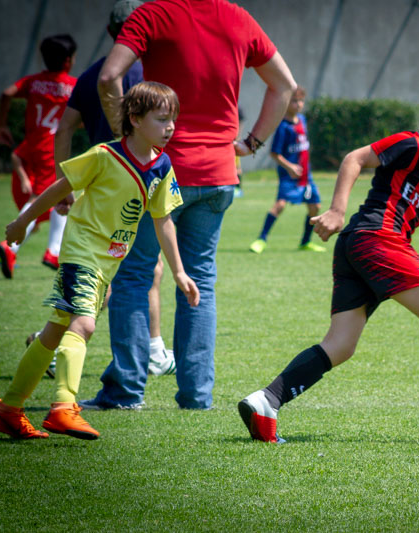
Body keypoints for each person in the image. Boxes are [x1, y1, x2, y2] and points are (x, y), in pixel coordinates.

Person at [238, 81, 419, 443]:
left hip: (359, 244)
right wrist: (336, 209)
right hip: (378, 237)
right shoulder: (414, 143)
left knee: (341, 345)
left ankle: (266, 401)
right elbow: (355, 158)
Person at [82, 0, 296, 410]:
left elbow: (110, 76)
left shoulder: (152, 14)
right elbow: (283, 85)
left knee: (133, 277)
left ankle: (125, 392)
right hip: (218, 174)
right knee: (200, 281)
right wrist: (251, 143)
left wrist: (123, 136)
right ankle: (196, 397)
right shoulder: (238, 18)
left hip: (159, 171)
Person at [0, 82, 199, 440]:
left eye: (173, 119)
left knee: (56, 331)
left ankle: (9, 408)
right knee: (83, 326)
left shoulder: (162, 166)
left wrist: (178, 271)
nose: (171, 127)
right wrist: (22, 222)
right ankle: (63, 408)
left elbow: (163, 220)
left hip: (106, 265)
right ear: (134, 119)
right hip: (80, 254)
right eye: (162, 119)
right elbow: (59, 188)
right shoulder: (104, 155)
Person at [53, 0, 174, 377]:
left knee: (103, 277)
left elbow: (64, 128)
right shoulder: (146, 75)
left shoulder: (91, 73)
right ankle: (151, 351)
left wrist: (66, 184)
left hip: (95, 192)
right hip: (134, 189)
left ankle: (56, 342)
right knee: (144, 271)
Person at [0, 34, 77, 279]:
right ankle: (14, 247)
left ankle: (51, 250)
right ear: (68, 61)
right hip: (53, 146)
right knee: (54, 195)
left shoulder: (34, 82)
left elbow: (7, 93)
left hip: (33, 143)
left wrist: (2, 125)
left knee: (52, 197)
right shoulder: (72, 85)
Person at [249, 85, 325, 254]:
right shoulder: (283, 126)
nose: (298, 105)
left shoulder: (302, 120)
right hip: (288, 176)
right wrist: (290, 167)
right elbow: (274, 153)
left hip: (306, 175)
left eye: (300, 101)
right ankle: (261, 239)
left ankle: (305, 242)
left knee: (315, 206)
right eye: (294, 101)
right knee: (280, 205)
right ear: (286, 103)